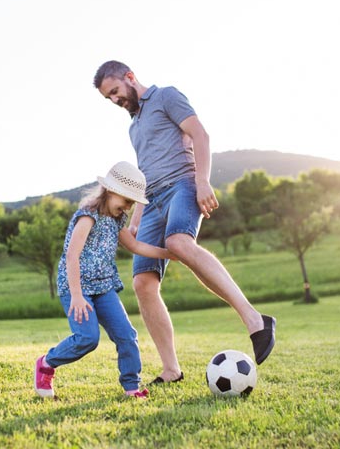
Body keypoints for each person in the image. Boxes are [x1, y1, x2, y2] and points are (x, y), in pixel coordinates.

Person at [93, 61, 276, 384]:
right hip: (152, 202)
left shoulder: (166, 96)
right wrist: (136, 219)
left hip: (182, 184)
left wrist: (202, 181)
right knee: (143, 284)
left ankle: (255, 319)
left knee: (179, 242)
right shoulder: (133, 128)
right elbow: (144, 177)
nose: (115, 101)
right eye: (109, 99)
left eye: (116, 92)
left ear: (130, 78)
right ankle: (171, 370)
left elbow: (200, 134)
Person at [34, 161, 175, 399]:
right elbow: (72, 256)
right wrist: (77, 296)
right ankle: (47, 363)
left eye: (132, 203)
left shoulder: (117, 220)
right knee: (87, 339)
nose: (129, 207)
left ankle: (132, 388)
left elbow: (135, 245)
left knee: (127, 335)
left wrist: (170, 253)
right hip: (77, 287)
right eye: (127, 200)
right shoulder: (88, 216)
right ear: (111, 191)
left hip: (104, 287)